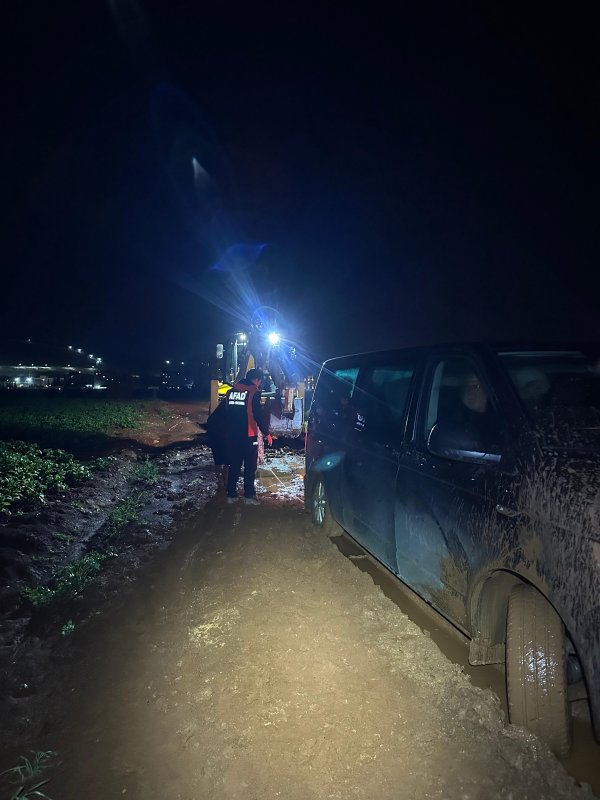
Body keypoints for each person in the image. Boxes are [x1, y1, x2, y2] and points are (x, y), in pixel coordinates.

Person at [225, 368, 272, 504]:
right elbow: (258, 415)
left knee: (234, 465)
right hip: (249, 436)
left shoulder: (231, 391)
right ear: (257, 380)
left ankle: (231, 495)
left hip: (233, 435)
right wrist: (266, 433)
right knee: (250, 467)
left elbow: (228, 413)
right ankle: (248, 496)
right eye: (259, 382)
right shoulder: (254, 393)